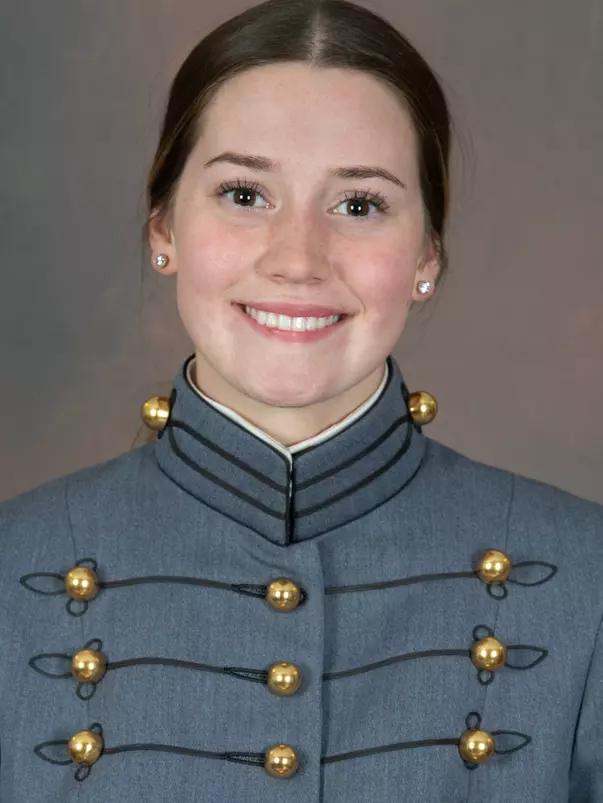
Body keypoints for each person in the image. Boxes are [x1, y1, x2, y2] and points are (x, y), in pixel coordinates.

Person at [1, 0, 602, 799]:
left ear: (426, 254)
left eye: (359, 205)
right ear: (162, 228)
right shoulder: (13, 566)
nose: (298, 259)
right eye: (244, 193)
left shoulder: (585, 579)